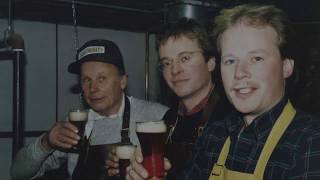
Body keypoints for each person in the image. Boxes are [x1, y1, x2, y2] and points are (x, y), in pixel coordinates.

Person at [179, 4, 320, 180]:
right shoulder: (213, 136)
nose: (239, 73)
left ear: (286, 67)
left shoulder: (310, 142)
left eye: (256, 58)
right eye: (230, 61)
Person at [10, 39, 169, 180]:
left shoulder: (157, 117)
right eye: (86, 80)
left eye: (102, 78)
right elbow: (18, 173)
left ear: (122, 81)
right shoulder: (75, 125)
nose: (93, 88)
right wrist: (46, 143)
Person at [109, 18, 230, 180]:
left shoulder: (231, 118)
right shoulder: (168, 120)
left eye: (185, 58)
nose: (175, 70)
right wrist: (136, 167)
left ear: (210, 63)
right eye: (167, 63)